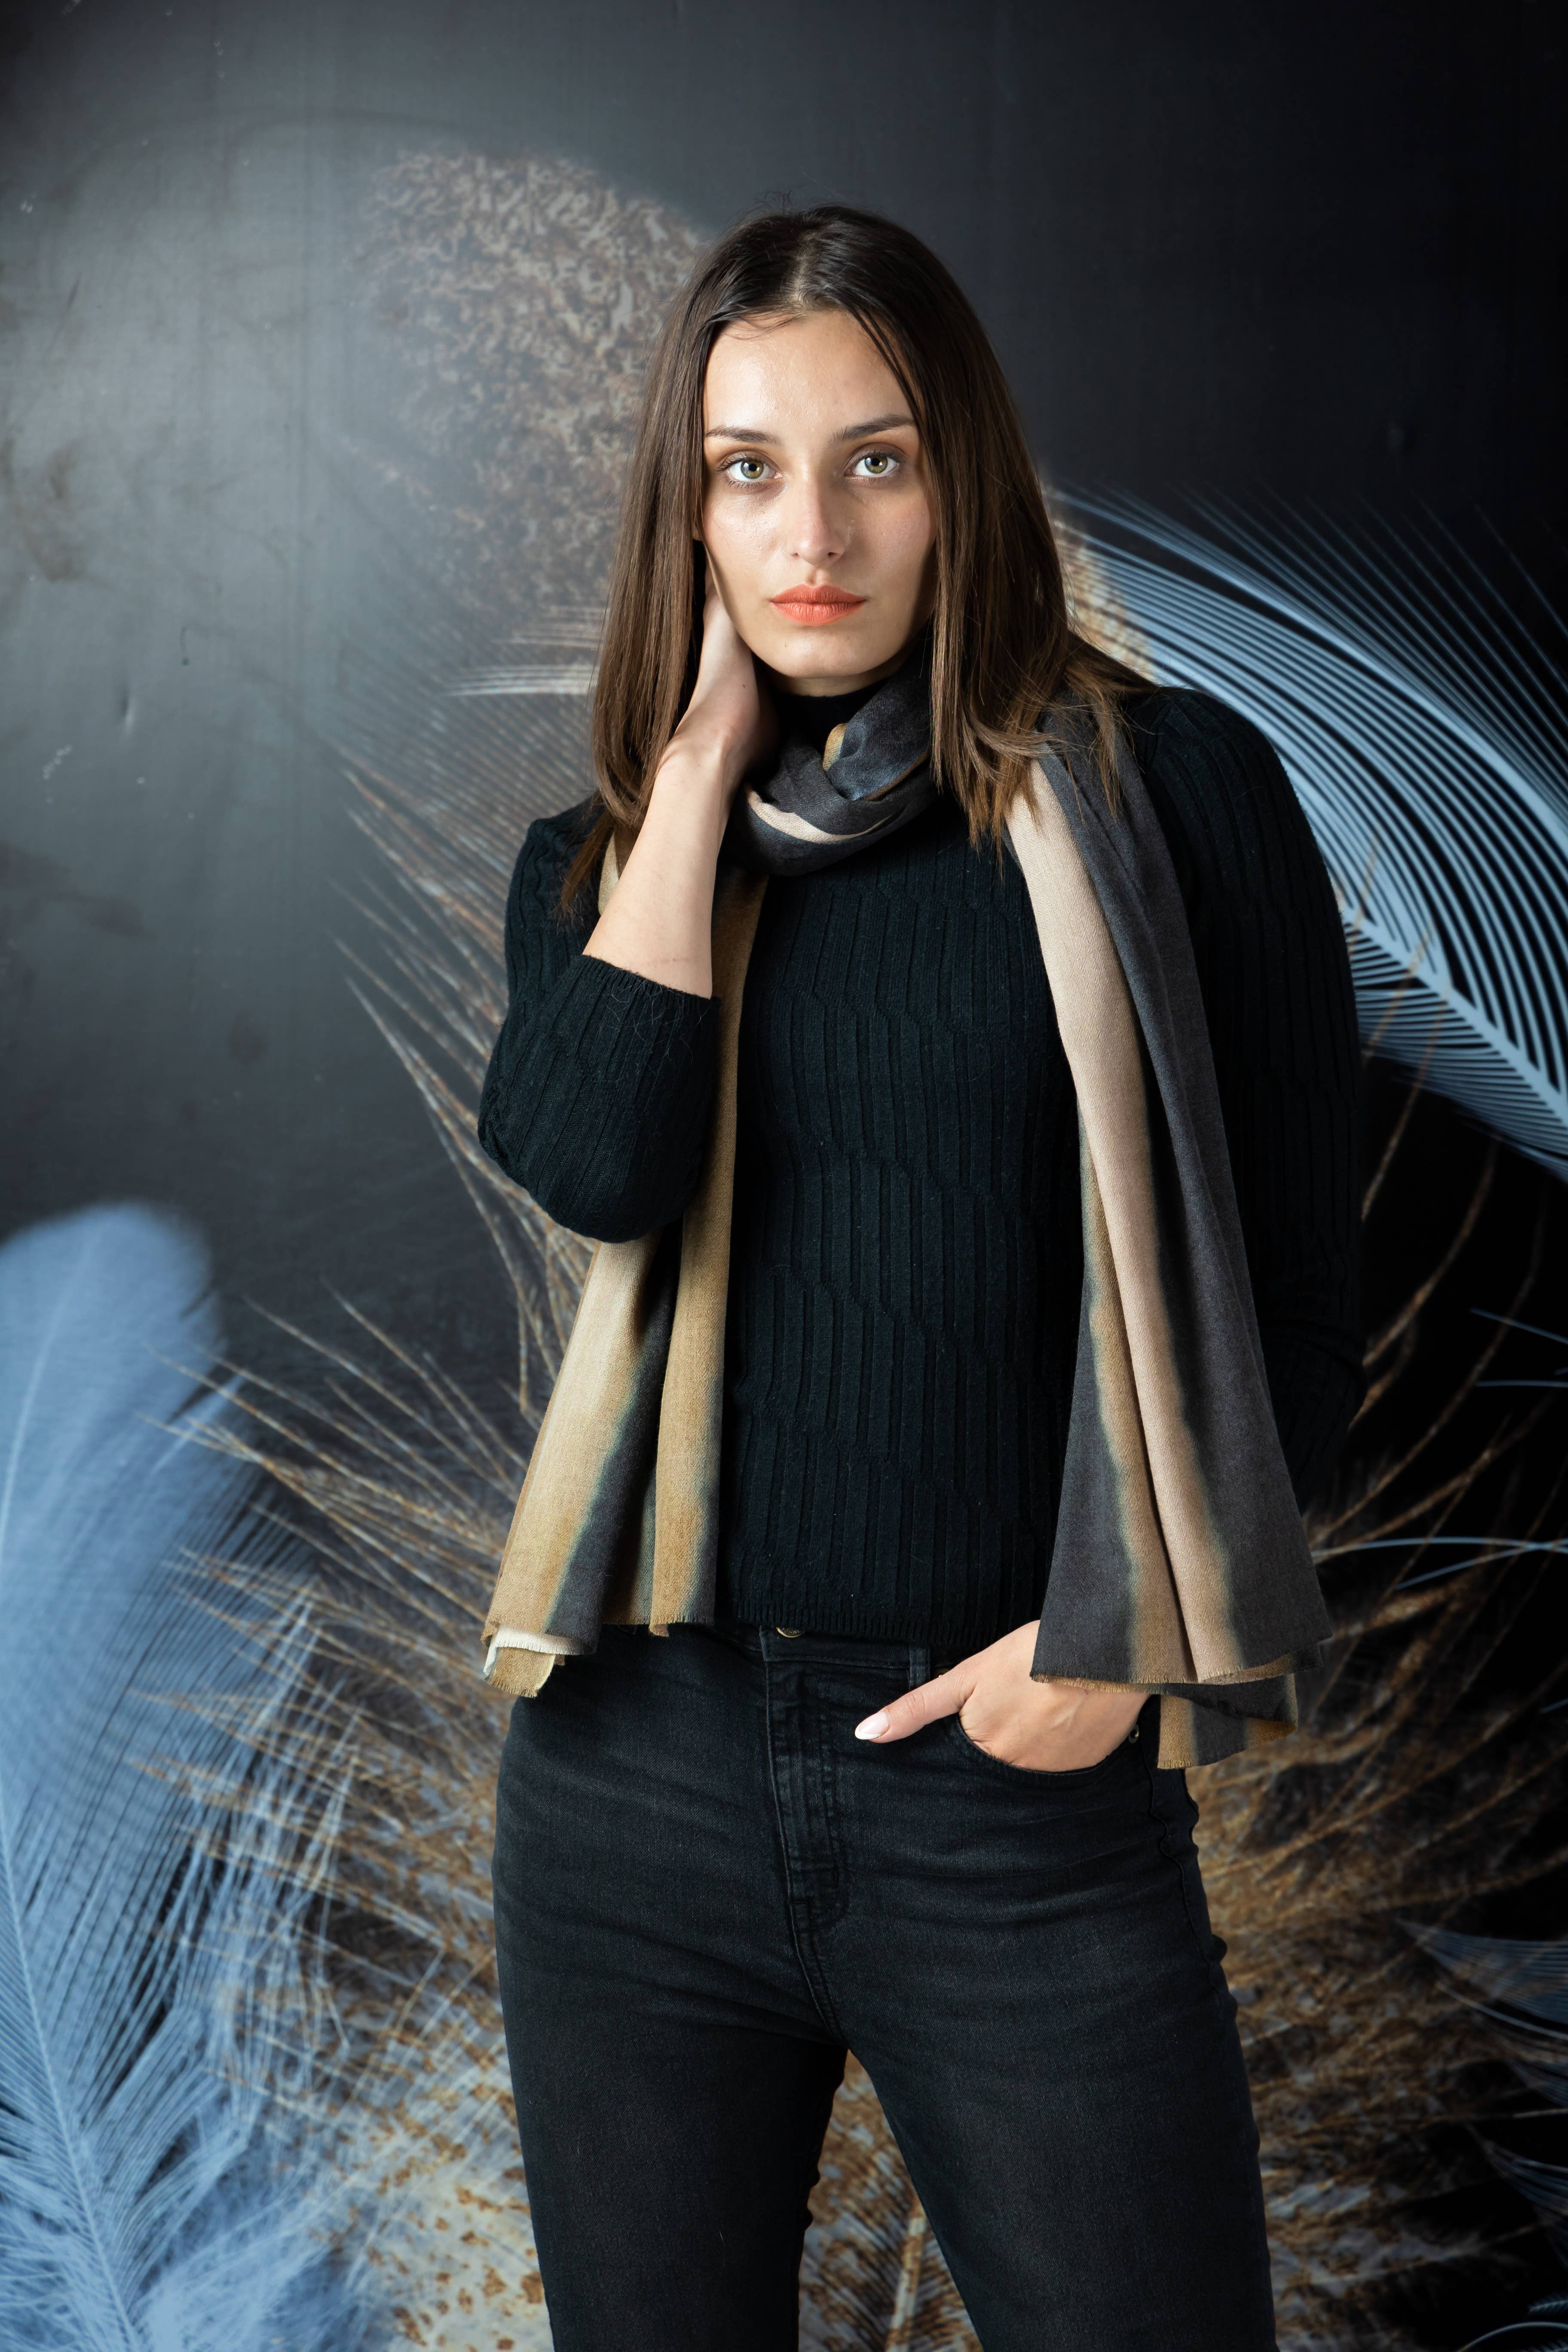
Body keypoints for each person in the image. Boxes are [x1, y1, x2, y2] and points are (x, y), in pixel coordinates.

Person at [476, 203, 1362, 2352]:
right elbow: (594, 1168)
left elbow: (1299, 1317)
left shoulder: (1178, 800)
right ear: (686, 513)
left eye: (877, 459)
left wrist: (1112, 1658)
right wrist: (696, 781)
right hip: (633, 1785)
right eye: (748, 471)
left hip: (1010, 1803)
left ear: (961, 471)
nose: (815, 534)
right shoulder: (602, 872)